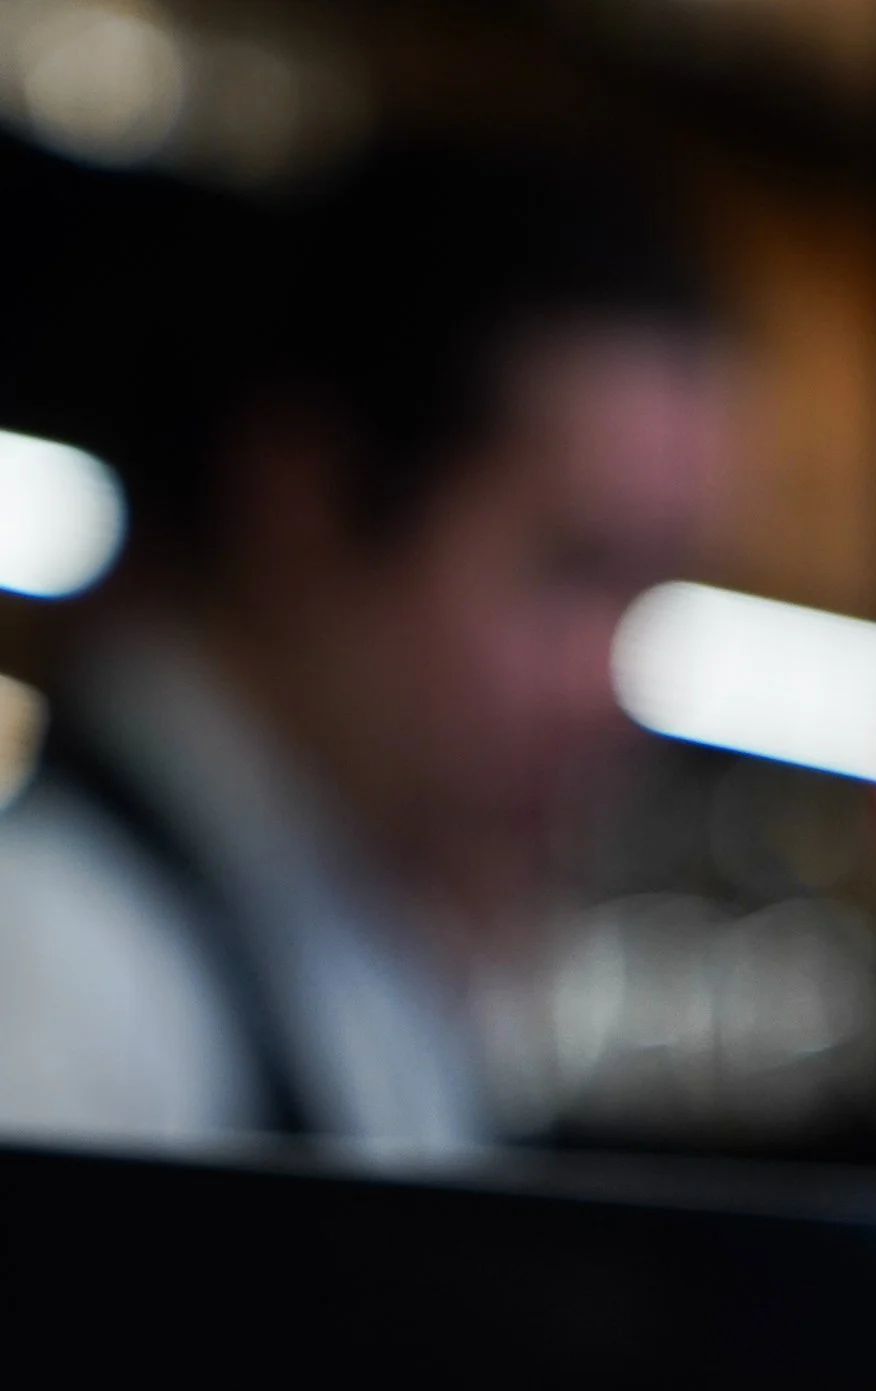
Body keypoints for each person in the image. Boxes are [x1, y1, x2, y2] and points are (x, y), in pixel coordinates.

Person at [0, 141, 728, 1155]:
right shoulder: (56, 976)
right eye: (570, 570)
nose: (605, 690)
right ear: (306, 502)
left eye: (647, 592)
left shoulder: (354, 944)